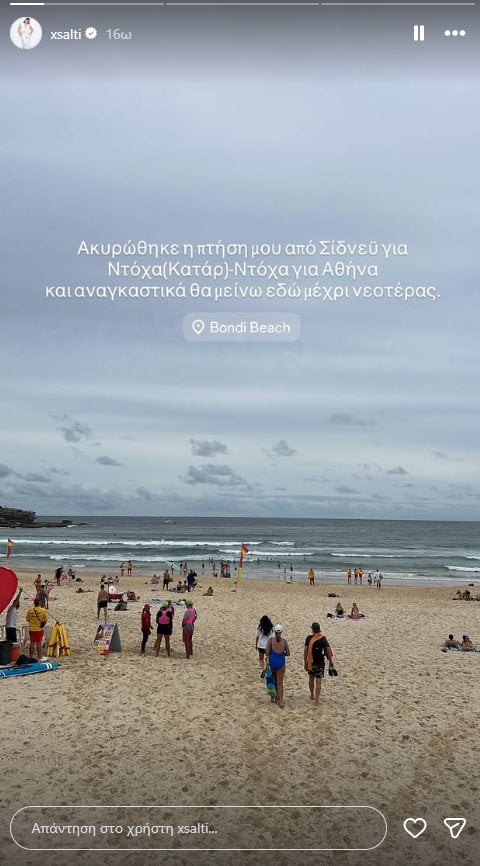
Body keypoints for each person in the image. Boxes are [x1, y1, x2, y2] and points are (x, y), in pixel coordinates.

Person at [304, 622, 334, 706]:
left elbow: (305, 651)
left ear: (312, 629)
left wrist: (305, 662)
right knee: (318, 682)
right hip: (320, 663)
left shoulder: (308, 638)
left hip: (311, 662)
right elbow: (328, 650)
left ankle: (312, 695)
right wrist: (331, 661)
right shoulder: (323, 639)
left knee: (311, 678)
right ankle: (316, 700)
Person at [265, 625, 290, 709]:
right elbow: (288, 653)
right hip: (281, 664)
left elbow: (267, 652)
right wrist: (282, 654)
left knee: (272, 681)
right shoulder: (284, 641)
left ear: (274, 632)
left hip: (272, 663)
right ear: (281, 632)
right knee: (280, 684)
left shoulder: (270, 641)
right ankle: (281, 701)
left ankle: (273, 698)